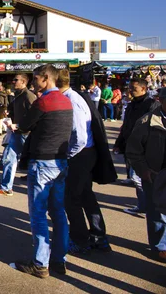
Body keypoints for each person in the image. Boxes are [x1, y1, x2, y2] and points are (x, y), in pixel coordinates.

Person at [11, 65, 73, 278]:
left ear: (46, 79)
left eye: (36, 79)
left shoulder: (43, 102)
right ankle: (58, 260)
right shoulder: (66, 100)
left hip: (43, 162)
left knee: (38, 213)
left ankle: (40, 263)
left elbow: (25, 125)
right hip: (60, 161)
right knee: (58, 213)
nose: (34, 83)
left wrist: (19, 126)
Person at [57, 70, 111, 255]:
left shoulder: (71, 99)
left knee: (71, 198)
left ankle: (80, 240)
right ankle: (99, 236)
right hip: (85, 153)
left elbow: (79, 136)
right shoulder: (73, 97)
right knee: (86, 195)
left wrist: (69, 155)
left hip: (81, 155)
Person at [126, 87, 166, 262]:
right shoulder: (147, 122)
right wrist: (143, 170)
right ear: (161, 101)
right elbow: (134, 150)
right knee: (157, 212)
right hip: (155, 175)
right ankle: (161, 246)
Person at [114, 78, 159, 217]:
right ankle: (143, 205)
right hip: (131, 147)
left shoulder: (152, 104)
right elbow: (126, 125)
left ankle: (149, 206)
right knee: (137, 178)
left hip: (145, 150)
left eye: (134, 88)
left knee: (138, 178)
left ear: (144, 89)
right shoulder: (132, 104)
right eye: (130, 88)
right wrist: (119, 143)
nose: (130, 91)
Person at [0, 74, 36, 197]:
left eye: (16, 80)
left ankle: (36, 190)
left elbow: (35, 116)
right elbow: (13, 108)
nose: (13, 81)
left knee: (33, 163)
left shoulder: (29, 96)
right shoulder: (18, 95)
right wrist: (9, 112)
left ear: (24, 82)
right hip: (17, 133)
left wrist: (20, 125)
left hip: (26, 134)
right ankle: (6, 187)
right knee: (9, 159)